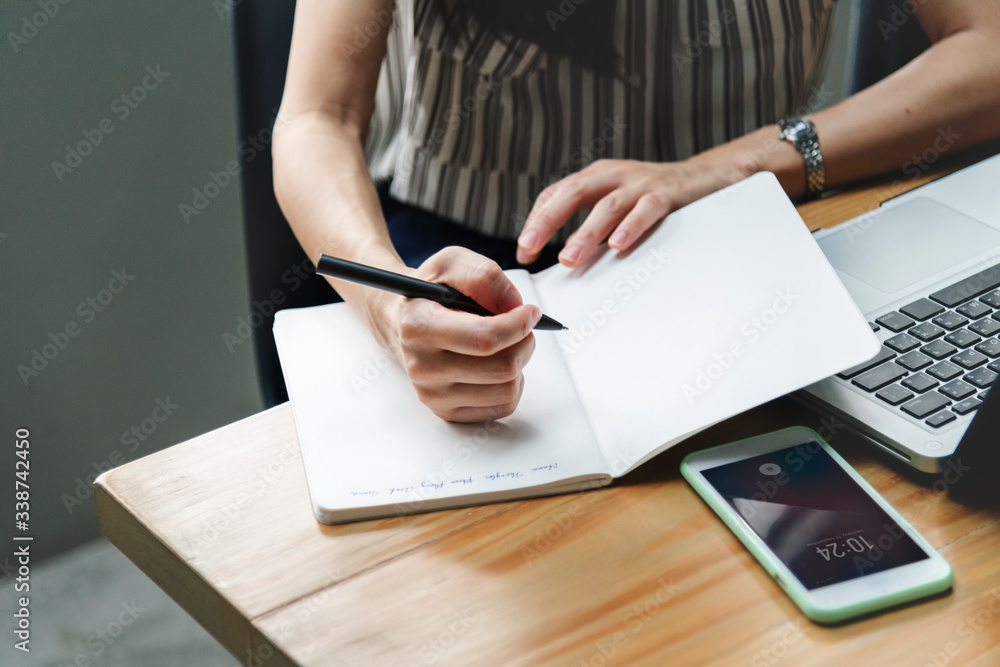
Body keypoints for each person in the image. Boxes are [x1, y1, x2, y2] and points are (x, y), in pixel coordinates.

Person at [273, 0, 1000, 423]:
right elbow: (315, 121)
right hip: (459, 273)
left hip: (752, 252)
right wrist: (388, 307)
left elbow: (989, 47)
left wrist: (739, 165)